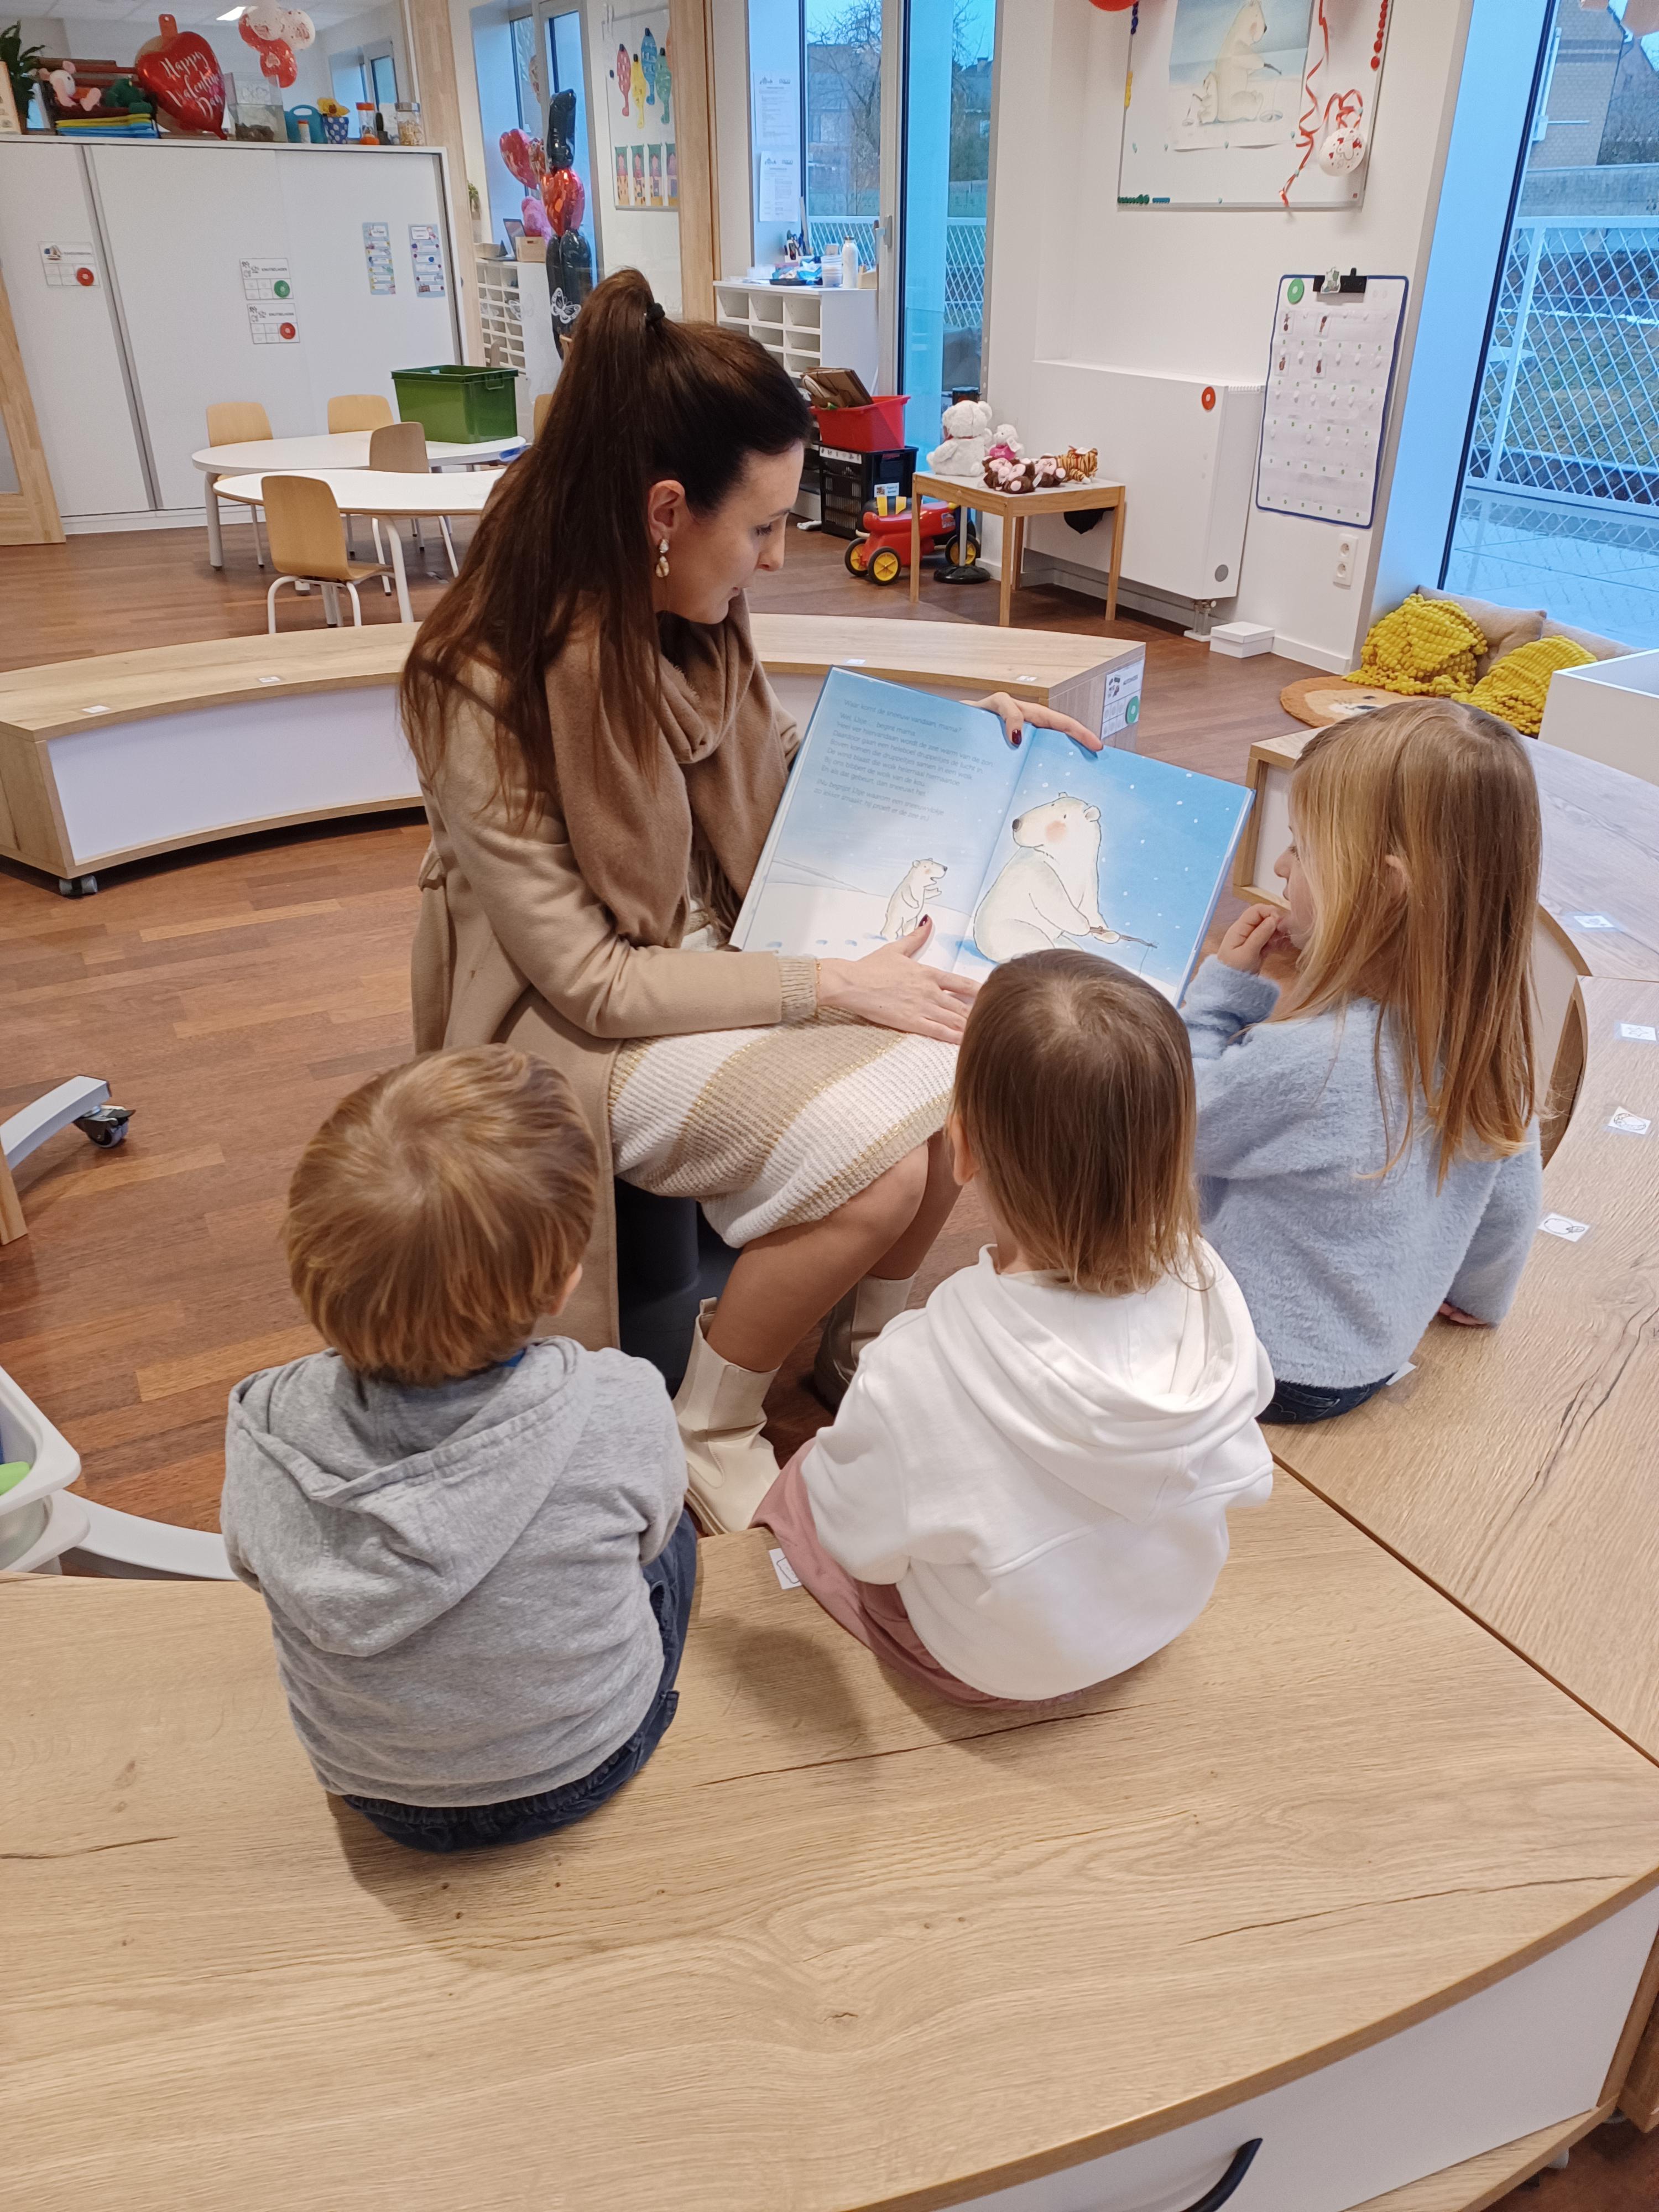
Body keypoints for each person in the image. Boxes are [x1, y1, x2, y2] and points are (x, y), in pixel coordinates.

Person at [401, 267, 1098, 1536]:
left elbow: (773, 758)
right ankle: (711, 1418)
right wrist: (833, 985)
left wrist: (963, 740)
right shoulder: (485, 680)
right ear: (666, 512)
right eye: (765, 528)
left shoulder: (692, 614)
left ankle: (859, 1351)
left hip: (715, 950)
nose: (779, 557)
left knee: (964, 1090)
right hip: (570, 1030)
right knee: (883, 1173)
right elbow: (592, 981)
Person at [758, 952, 1274, 1707]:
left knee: (804, 1483)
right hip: (1167, 1608)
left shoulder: (916, 1366)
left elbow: (861, 1543)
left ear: (962, 1146)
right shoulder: (1213, 1293)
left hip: (992, 1666)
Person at [220, 1047, 695, 1855]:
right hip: (586, 1760)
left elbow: (250, 1566)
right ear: (562, 1282)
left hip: (369, 1784)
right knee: (675, 1537)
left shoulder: (263, 1419)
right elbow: (648, 1542)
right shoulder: (619, 1399)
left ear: (307, 1271)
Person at [1181, 700, 1544, 1426]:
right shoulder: (1492, 1046)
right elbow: (1510, 1210)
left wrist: (1220, 999)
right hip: (1370, 1357)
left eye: (1301, 849)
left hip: (1258, 1364)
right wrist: (1481, 1299)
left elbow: (1176, 1124)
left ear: (1380, 887)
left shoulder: (1309, 1059)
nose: (1281, 867)